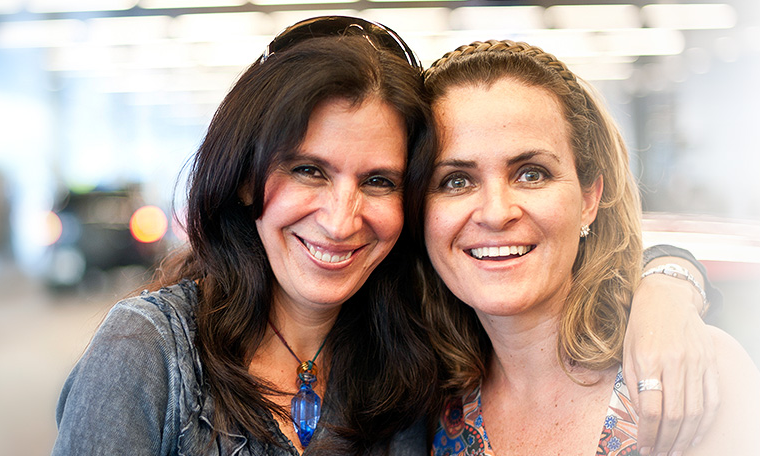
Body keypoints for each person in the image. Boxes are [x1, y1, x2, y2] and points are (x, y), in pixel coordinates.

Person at [54, 17, 717, 455]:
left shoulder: (416, 357)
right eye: (309, 170)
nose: (342, 220)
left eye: (379, 181)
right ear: (248, 179)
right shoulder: (148, 353)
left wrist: (667, 283)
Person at [414, 40, 760, 456]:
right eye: (456, 181)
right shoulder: (425, 402)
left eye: (531, 174)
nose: (496, 213)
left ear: (589, 199)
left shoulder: (688, 375)